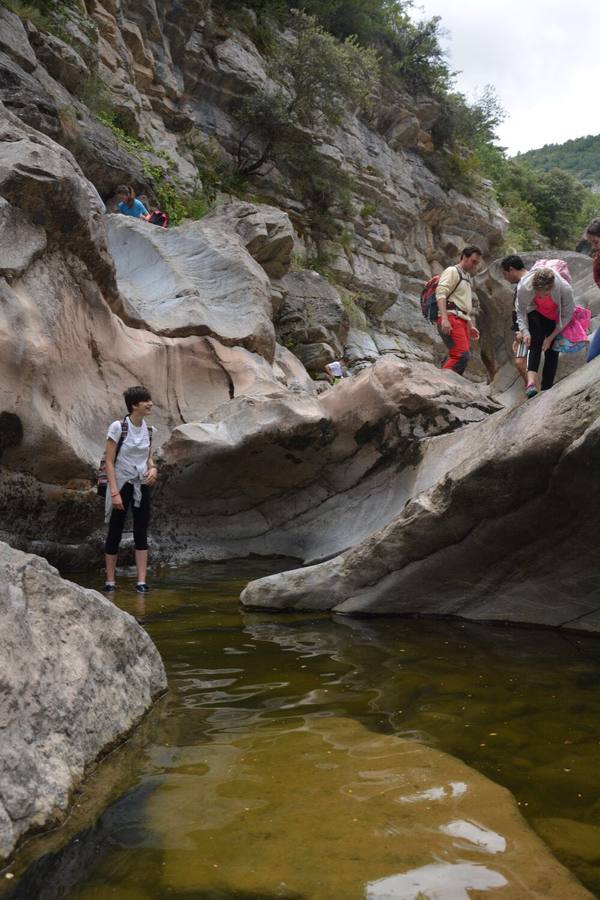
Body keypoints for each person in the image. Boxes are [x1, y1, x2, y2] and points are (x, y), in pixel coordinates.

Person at [104, 386, 157, 594]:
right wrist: (114, 493)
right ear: (134, 405)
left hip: (141, 484)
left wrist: (153, 468)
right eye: (146, 400)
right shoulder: (118, 427)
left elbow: (148, 456)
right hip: (121, 484)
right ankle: (110, 581)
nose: (150, 404)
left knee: (141, 531)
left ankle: (141, 581)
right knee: (115, 531)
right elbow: (109, 461)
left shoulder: (149, 430)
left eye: (149, 400)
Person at [516, 267, 575, 398]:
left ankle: (546, 387)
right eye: (539, 294)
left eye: (546, 294)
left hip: (555, 317)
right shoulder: (524, 287)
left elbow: (567, 315)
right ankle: (531, 383)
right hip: (536, 312)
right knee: (535, 341)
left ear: (552, 288)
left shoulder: (565, 289)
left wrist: (550, 338)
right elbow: (520, 311)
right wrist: (525, 331)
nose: (542, 297)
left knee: (552, 349)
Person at [436, 246, 482, 375]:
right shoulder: (452, 271)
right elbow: (440, 294)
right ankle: (442, 382)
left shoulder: (466, 277)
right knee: (460, 355)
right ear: (464, 257)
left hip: (461, 320)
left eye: (477, 263)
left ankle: (449, 382)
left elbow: (462, 305)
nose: (475, 265)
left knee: (462, 356)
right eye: (473, 261)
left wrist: (470, 326)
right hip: (451, 318)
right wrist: (444, 319)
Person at [500, 254, 530, 385]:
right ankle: (534, 388)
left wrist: (521, 331)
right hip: (526, 328)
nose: (505, 278)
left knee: (520, 362)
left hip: (529, 328)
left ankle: (534, 389)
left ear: (511, 269)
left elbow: (525, 310)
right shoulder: (524, 282)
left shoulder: (526, 283)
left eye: (505, 273)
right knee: (521, 361)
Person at [586, 219, 600, 362]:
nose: (594, 246)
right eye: (592, 243)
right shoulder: (597, 259)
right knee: (592, 357)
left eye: (596, 242)